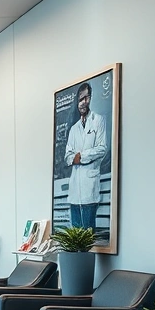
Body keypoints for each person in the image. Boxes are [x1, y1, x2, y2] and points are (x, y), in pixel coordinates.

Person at [63, 82, 107, 231]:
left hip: (90, 185)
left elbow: (101, 148)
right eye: (81, 99)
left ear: (90, 98)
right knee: (75, 234)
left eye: (86, 98)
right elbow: (68, 157)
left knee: (88, 235)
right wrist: (75, 158)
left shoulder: (98, 120)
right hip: (75, 188)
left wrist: (81, 156)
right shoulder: (74, 129)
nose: (83, 102)